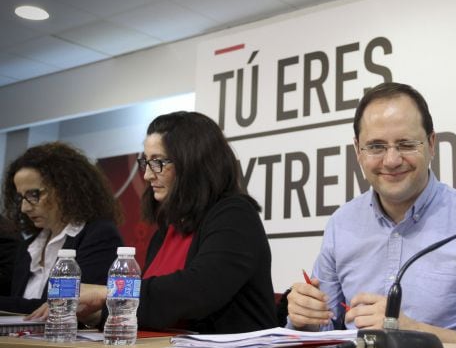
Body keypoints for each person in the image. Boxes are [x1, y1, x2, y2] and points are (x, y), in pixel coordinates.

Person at [287, 82, 456, 342]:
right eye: (376, 147)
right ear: (358, 151)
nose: (391, 160)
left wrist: (414, 331)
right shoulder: (341, 225)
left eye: (406, 144)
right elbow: (325, 327)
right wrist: (305, 316)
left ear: (431, 144)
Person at [39, 111, 278, 334]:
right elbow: (154, 308)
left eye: (158, 162)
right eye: (146, 162)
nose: (147, 175)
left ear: (192, 163)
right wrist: (94, 315)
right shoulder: (166, 230)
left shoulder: (235, 214)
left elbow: (198, 291)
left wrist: (106, 293)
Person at [1, 142, 123, 313]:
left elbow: (68, 306)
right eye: (21, 197)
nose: (25, 208)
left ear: (66, 189)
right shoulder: (28, 247)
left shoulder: (99, 236)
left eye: (34, 195)